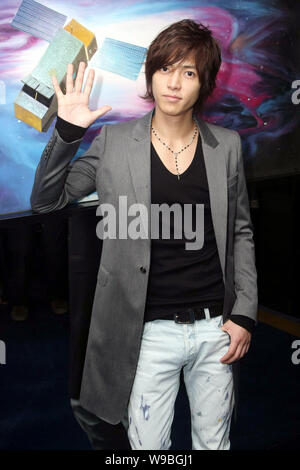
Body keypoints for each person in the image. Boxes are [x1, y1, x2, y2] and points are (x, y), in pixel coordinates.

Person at [30, 19, 257, 450]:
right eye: (165, 68)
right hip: (145, 332)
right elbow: (46, 201)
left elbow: (240, 231)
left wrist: (244, 312)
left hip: (216, 330)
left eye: (188, 72)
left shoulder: (226, 145)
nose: (174, 82)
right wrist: (68, 133)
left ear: (204, 83)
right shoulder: (113, 142)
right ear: (151, 74)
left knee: (216, 444)